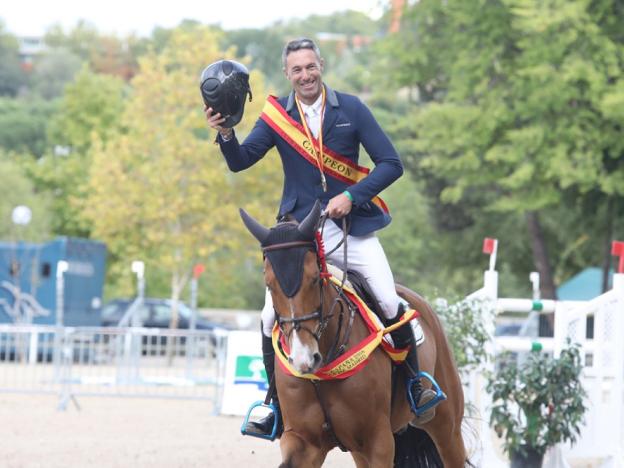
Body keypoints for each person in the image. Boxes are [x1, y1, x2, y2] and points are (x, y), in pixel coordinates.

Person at [205, 37, 438, 437]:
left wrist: (352, 195)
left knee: (386, 298)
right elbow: (241, 162)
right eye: (297, 70)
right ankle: (272, 405)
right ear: (287, 74)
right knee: (266, 317)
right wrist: (226, 133)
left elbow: (391, 163)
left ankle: (415, 386)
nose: (305, 75)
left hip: (353, 228)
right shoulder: (277, 115)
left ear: (321, 66)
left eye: (310, 67)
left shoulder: (351, 109)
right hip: (300, 234)